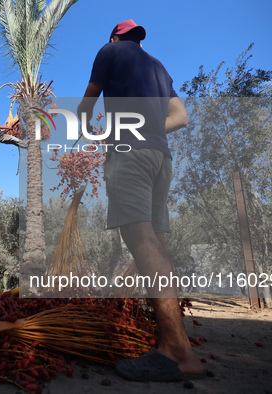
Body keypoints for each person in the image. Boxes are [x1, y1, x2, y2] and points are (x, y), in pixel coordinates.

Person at [77, 20, 206, 381]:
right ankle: (167, 339)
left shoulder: (109, 51)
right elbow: (180, 117)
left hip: (131, 155)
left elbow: (86, 106)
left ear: (115, 37)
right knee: (157, 243)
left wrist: (95, 131)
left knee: (141, 241)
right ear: (138, 38)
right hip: (161, 159)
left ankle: (178, 353)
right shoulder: (159, 67)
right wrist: (145, 127)